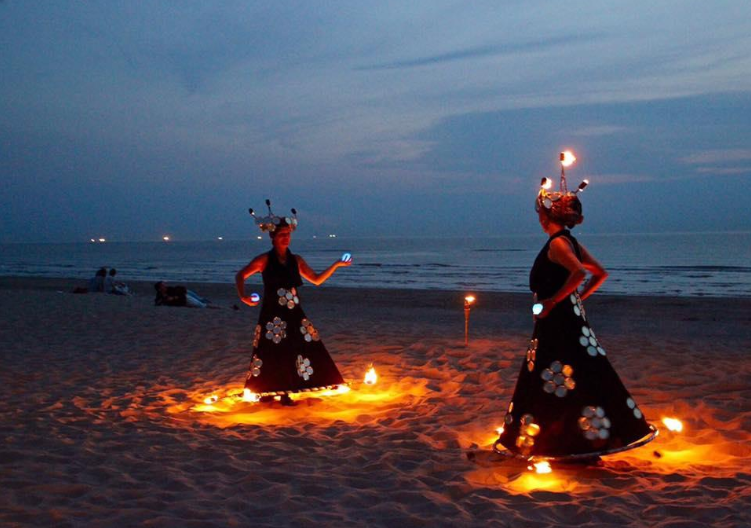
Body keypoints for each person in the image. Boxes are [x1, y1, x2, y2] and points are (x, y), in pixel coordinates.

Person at [495, 162, 655, 460]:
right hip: (569, 317)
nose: (540, 219)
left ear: (547, 217)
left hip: (557, 321)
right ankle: (579, 437)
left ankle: (560, 440)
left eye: (541, 214)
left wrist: (555, 302)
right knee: (582, 372)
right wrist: (577, 300)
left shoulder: (558, 245)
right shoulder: (570, 241)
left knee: (555, 374)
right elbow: (600, 274)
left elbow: (581, 273)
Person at [236, 201, 351, 405]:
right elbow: (241, 275)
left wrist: (337, 264)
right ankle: (272, 389)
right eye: (282, 234)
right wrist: (244, 297)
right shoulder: (264, 260)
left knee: (300, 347)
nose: (286, 238)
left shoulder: (296, 260)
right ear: (273, 237)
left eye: (288, 234)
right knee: (271, 350)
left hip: (293, 311)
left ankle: (291, 388)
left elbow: (316, 279)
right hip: (272, 312)